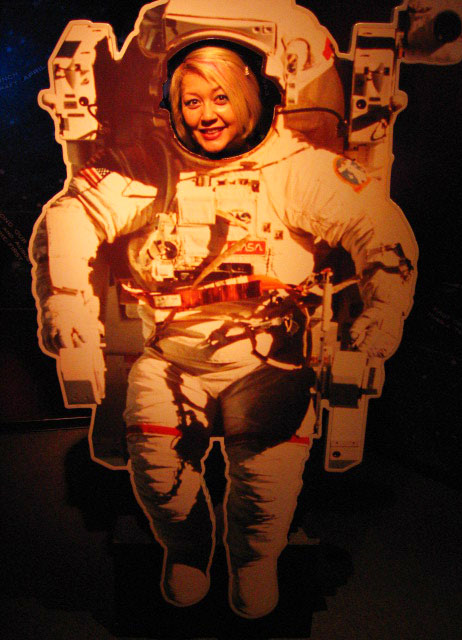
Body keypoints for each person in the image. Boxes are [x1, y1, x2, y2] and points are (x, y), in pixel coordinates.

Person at [30, 41, 416, 619]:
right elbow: (69, 217)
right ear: (172, 106)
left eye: (220, 98)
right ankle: (187, 552)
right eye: (190, 102)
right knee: (158, 477)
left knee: (265, 490)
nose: (206, 115)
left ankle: (254, 562)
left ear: (250, 98)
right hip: (173, 357)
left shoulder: (298, 169)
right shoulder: (149, 165)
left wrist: (384, 311)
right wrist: (66, 305)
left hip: (270, 361)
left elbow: (379, 228)